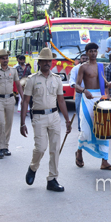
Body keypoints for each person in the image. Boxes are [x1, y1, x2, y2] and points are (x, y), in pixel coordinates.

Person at [21, 48, 72, 191]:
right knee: (41, 148)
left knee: (55, 148)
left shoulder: (57, 79)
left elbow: (61, 101)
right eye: (44, 60)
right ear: (40, 62)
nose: (47, 63)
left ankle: (52, 179)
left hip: (54, 116)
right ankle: (33, 167)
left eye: (49, 60)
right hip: (38, 117)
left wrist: (67, 121)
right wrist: (22, 123)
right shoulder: (32, 80)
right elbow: (25, 101)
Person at [74, 42, 111, 171]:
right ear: (87, 53)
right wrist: (84, 91)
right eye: (91, 51)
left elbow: (103, 82)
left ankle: (104, 161)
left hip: (99, 98)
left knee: (104, 129)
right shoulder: (82, 67)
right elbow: (76, 86)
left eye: (95, 51)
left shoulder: (100, 66)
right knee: (86, 130)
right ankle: (79, 151)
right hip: (87, 99)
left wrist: (108, 85)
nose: (93, 53)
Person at [0, 49, 24, 159]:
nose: (5, 60)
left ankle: (6, 146)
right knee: (0, 122)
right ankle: (0, 147)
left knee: (9, 123)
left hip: (10, 99)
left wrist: (23, 97)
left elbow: (18, 84)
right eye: (3, 58)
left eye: (6, 58)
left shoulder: (13, 71)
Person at [68, 54, 88, 132]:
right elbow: (72, 81)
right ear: (80, 59)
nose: (85, 60)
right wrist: (77, 87)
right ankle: (81, 129)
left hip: (90, 92)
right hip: (80, 93)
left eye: (86, 58)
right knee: (79, 111)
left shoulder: (90, 68)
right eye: (83, 58)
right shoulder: (75, 68)